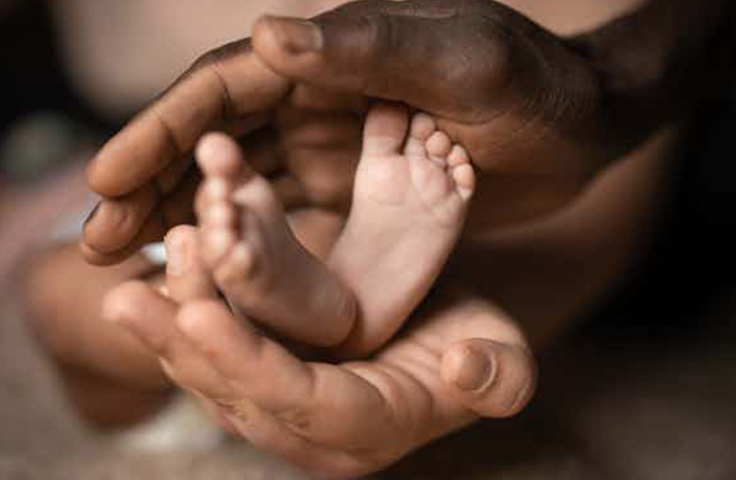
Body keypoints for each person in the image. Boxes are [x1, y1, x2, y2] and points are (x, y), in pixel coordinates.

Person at [24, 0, 736, 477]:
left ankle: (289, 291)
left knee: (59, 291)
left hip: (174, 256)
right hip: (567, 220)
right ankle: (328, 289)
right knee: (115, 279)